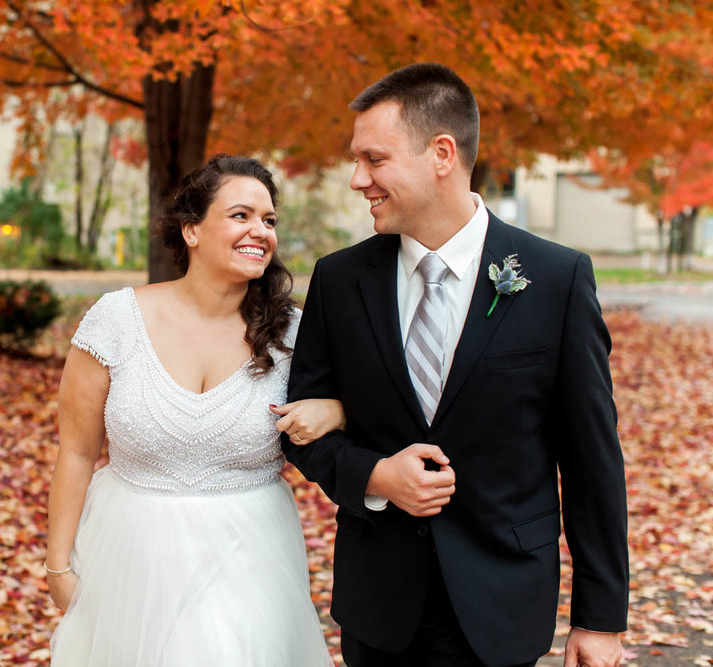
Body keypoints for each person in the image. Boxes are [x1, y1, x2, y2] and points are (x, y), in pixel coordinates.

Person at [283, 63, 629, 667]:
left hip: (503, 602)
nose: (356, 178)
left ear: (442, 153)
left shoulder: (555, 279)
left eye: (374, 159)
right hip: (380, 606)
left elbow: (591, 453)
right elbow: (304, 432)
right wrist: (375, 476)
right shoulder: (339, 280)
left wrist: (600, 618)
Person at [47, 154, 338, 666]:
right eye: (241, 215)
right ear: (191, 231)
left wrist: (335, 409)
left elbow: (362, 402)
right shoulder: (116, 320)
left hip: (250, 560)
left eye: (269, 220)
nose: (261, 231)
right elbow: (75, 451)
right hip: (131, 557)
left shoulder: (295, 332)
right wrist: (59, 568)